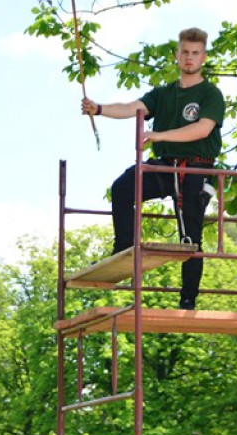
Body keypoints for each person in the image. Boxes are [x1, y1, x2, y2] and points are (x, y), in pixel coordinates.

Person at [81, 27, 225, 310]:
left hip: (195, 170)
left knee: (190, 237)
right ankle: (124, 247)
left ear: (203, 58)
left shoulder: (211, 94)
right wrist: (98, 108)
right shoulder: (163, 94)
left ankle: (187, 299)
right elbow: (132, 107)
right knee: (123, 187)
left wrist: (159, 135)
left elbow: (202, 129)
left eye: (195, 53)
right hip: (165, 166)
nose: (189, 58)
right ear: (177, 55)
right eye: (185, 52)